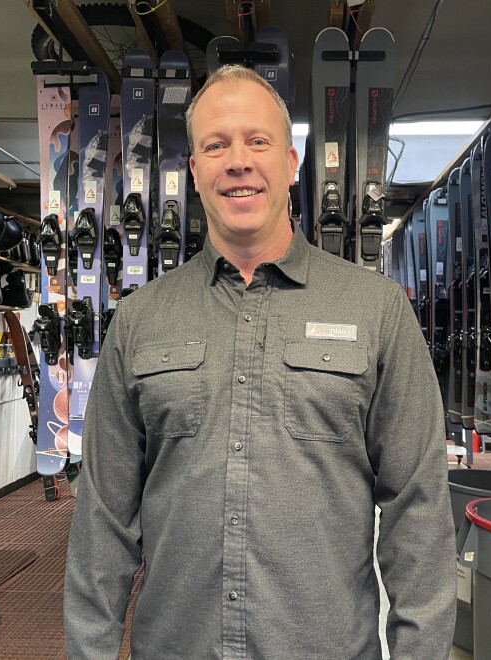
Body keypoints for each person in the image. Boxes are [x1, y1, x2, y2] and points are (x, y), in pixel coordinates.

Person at [64, 64, 456, 659]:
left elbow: (419, 513)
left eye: (257, 141)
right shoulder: (140, 320)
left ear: (291, 163)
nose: (238, 161)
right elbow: (103, 524)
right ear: (194, 171)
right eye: (216, 145)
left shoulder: (375, 310)